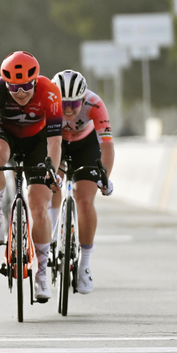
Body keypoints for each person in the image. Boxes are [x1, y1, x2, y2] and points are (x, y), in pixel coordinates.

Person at [0, 51, 62, 302]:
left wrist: (52, 174)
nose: (20, 92)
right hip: (7, 137)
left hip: (39, 141)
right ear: (6, 83)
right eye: (14, 87)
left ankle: (42, 275)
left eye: (25, 86)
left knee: (38, 205)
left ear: (35, 81)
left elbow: (55, 143)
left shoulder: (50, 92)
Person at [51, 70, 115, 294]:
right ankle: (49, 233)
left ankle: (85, 265)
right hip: (55, 142)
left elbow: (106, 146)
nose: (68, 109)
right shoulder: (47, 101)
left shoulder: (95, 104)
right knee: (50, 185)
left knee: (85, 201)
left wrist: (104, 176)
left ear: (83, 97)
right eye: (63, 103)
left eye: (74, 103)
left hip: (85, 146)